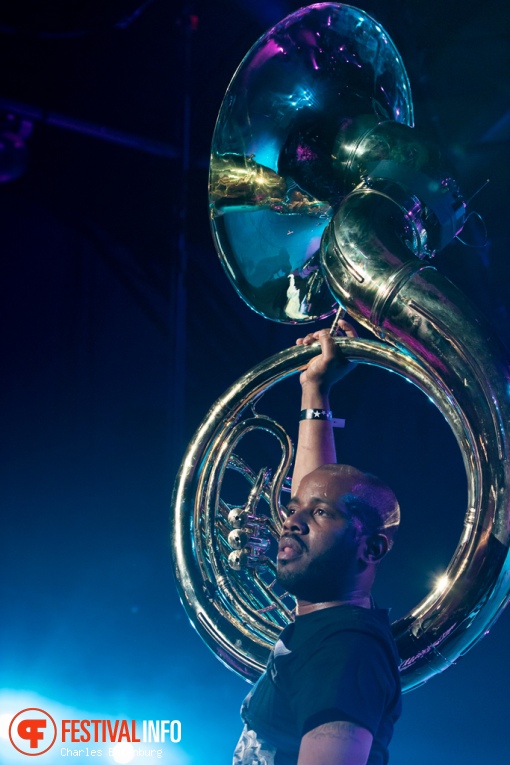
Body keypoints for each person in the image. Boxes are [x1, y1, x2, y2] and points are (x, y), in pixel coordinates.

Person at [232, 323, 402, 765]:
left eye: (319, 514)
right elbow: (318, 489)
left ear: (372, 549)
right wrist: (315, 390)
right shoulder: (327, 625)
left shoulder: (345, 651)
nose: (290, 522)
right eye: (292, 510)